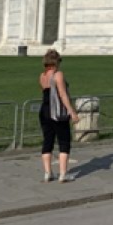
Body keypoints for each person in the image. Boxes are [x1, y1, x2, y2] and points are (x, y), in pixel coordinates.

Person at [38, 49, 79, 183]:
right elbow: (62, 95)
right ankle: (63, 174)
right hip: (57, 112)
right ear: (56, 62)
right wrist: (72, 111)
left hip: (44, 110)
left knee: (47, 141)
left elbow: (46, 93)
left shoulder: (42, 76)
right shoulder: (58, 74)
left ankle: (47, 173)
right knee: (64, 141)